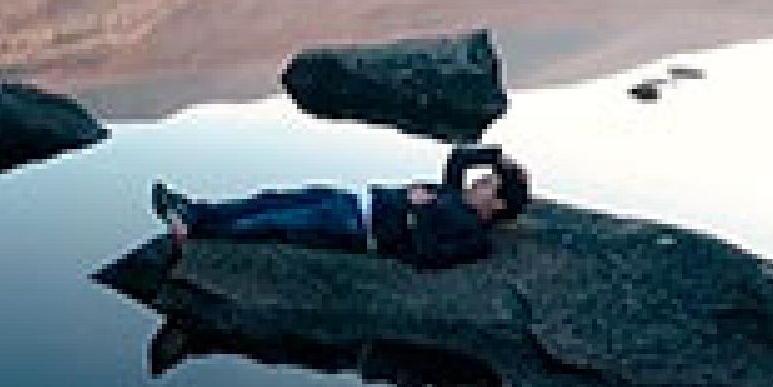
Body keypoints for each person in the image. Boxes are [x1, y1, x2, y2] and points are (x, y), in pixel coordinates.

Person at [150, 145, 529, 272]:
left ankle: (197, 233)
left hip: (356, 228)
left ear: (497, 205)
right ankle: (195, 210)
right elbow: (459, 156)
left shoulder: (474, 235)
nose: (478, 181)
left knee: (276, 223)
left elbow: (428, 257)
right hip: (352, 201)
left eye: (489, 184)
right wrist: (497, 156)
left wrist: (419, 211)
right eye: (484, 177)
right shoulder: (455, 195)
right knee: (273, 198)